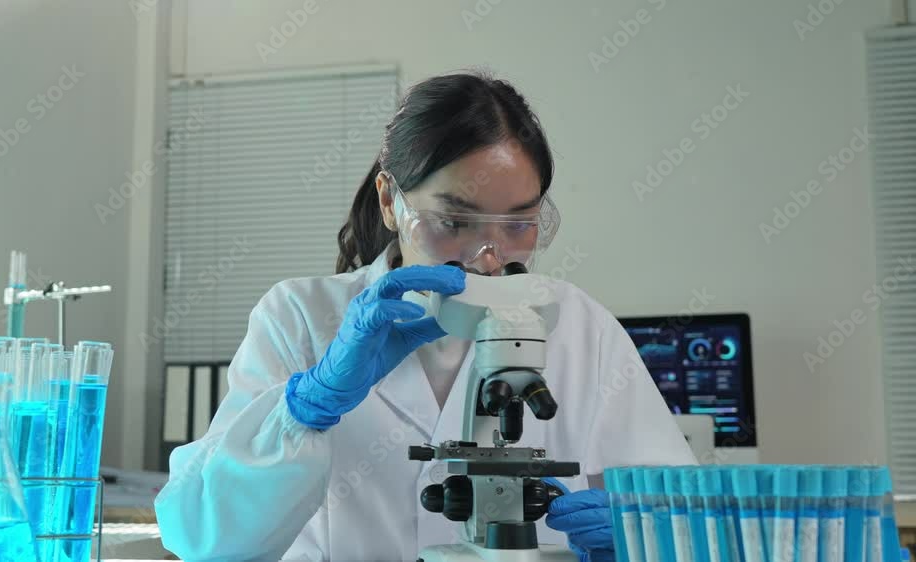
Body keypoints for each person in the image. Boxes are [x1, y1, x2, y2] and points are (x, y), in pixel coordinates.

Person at [154, 71, 695, 562]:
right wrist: (307, 408)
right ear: (390, 201)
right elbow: (204, 540)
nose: (489, 256)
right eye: (454, 221)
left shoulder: (582, 326)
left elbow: (687, 523)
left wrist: (643, 535)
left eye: (518, 224)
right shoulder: (299, 316)